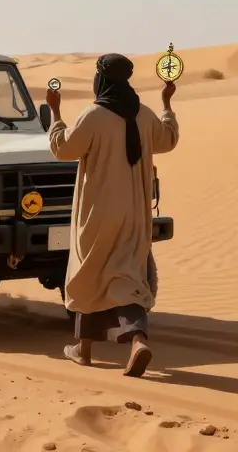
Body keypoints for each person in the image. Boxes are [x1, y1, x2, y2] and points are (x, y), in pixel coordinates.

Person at [48, 54, 180, 377]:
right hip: (135, 214)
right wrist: (166, 103)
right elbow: (169, 138)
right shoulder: (145, 115)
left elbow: (62, 148)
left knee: (89, 272)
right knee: (127, 275)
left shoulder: (93, 115)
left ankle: (86, 348)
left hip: (97, 213)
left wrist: (54, 111)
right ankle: (136, 341)